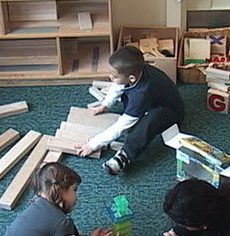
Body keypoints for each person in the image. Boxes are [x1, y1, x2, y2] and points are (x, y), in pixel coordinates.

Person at [0, 162, 121, 236]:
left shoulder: (36, 204)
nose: (76, 197)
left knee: (69, 232)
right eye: (74, 190)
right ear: (61, 190)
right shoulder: (61, 222)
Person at [75, 45, 185, 175]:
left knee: (147, 123)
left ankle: (125, 155)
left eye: (114, 76)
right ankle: (137, 114)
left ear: (132, 78)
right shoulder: (136, 72)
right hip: (151, 101)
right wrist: (105, 104)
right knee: (126, 95)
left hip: (170, 113)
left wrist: (93, 144)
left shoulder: (141, 93)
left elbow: (122, 126)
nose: (111, 77)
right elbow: (118, 85)